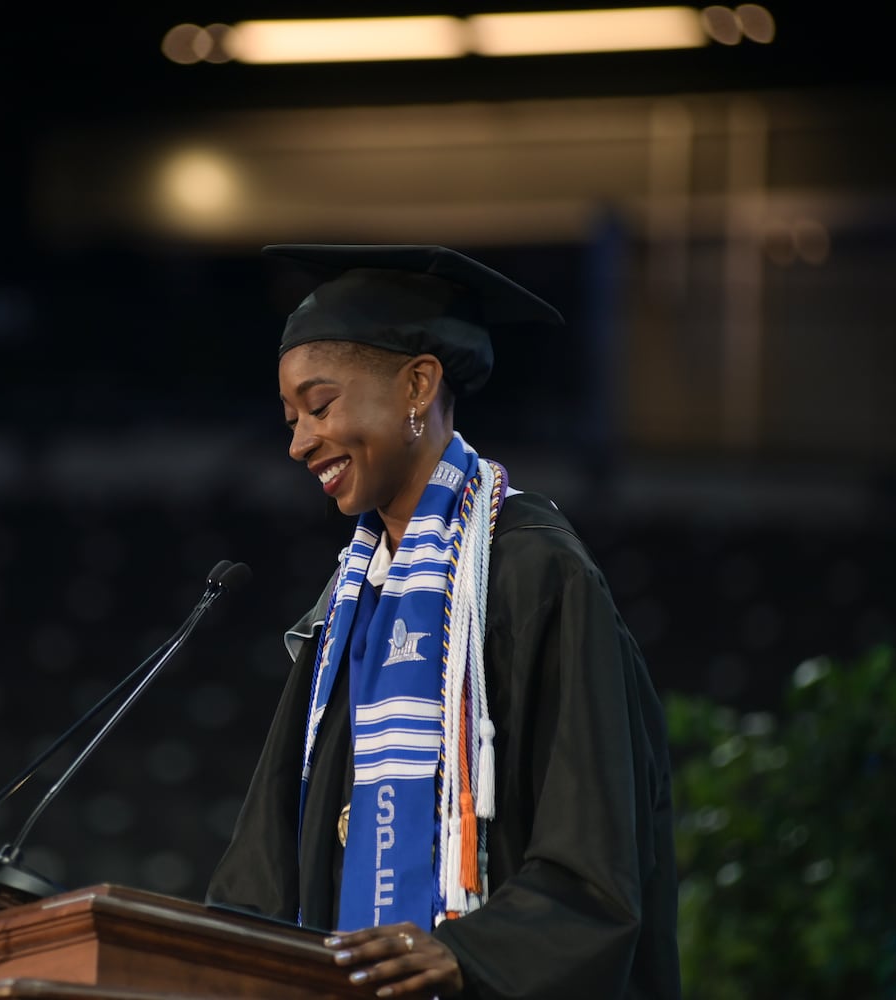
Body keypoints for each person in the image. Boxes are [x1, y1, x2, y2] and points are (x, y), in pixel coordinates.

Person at [207, 244, 680, 999]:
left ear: (417, 385)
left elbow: (595, 853)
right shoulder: (348, 604)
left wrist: (471, 953)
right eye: (290, 417)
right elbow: (267, 863)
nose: (298, 442)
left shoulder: (532, 574)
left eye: (320, 406)